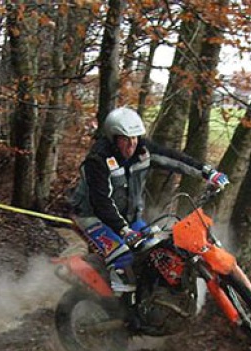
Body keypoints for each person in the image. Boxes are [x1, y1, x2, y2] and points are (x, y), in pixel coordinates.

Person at [70, 107, 229, 295]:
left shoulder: (143, 150)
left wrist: (208, 172)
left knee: (155, 254)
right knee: (123, 258)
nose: (131, 145)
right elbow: (101, 202)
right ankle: (116, 302)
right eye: (125, 139)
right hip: (92, 217)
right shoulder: (97, 161)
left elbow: (175, 159)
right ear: (113, 139)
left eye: (135, 138)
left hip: (130, 217)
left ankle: (148, 300)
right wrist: (124, 230)